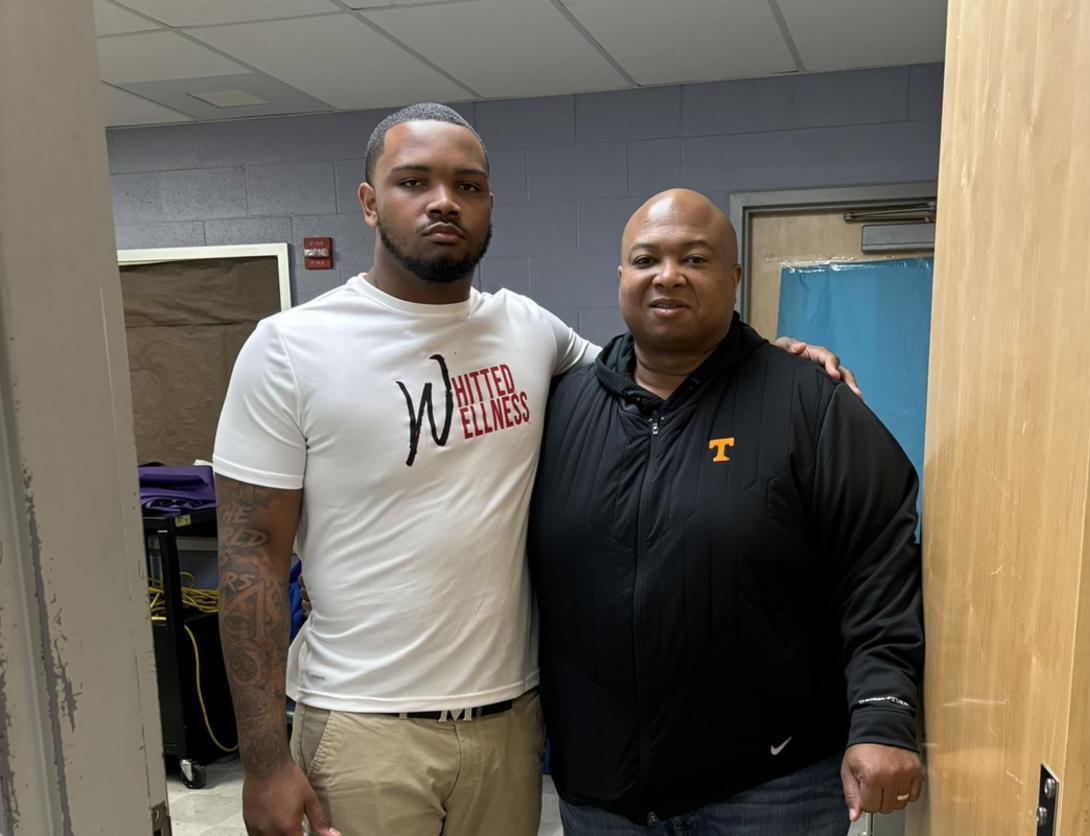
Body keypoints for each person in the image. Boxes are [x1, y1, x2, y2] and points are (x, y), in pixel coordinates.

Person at [212, 106, 853, 836]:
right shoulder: (289, 348)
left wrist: (776, 364)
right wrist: (264, 762)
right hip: (364, 729)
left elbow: (659, 369)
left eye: (468, 185)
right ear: (369, 202)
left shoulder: (528, 329)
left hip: (510, 727)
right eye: (413, 181)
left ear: (488, 206)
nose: (443, 200)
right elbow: (249, 555)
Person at [528, 189, 924, 834]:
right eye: (646, 258)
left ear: (734, 277)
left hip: (769, 789)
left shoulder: (809, 403)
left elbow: (879, 567)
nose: (668, 274)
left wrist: (883, 715)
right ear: (621, 277)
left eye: (696, 258)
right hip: (602, 793)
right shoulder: (560, 409)